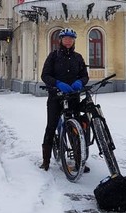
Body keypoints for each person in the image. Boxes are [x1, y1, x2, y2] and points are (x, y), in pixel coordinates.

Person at [40, 27, 89, 172]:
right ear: (60, 40)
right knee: (51, 126)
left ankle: (79, 160)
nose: (68, 41)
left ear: (74, 41)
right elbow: (45, 75)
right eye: (65, 38)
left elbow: (84, 75)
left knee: (76, 128)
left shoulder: (78, 57)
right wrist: (57, 83)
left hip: (73, 96)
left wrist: (80, 82)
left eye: (71, 39)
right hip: (56, 97)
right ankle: (46, 160)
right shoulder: (53, 56)